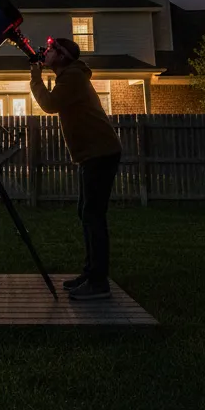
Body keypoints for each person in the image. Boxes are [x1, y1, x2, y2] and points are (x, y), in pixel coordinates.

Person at [30, 37, 122, 300]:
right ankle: (91, 273)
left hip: (100, 152)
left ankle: (98, 282)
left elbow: (48, 104)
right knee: (86, 213)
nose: (45, 53)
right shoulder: (70, 75)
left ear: (61, 56)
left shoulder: (72, 77)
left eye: (50, 50)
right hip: (94, 154)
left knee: (93, 215)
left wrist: (35, 77)